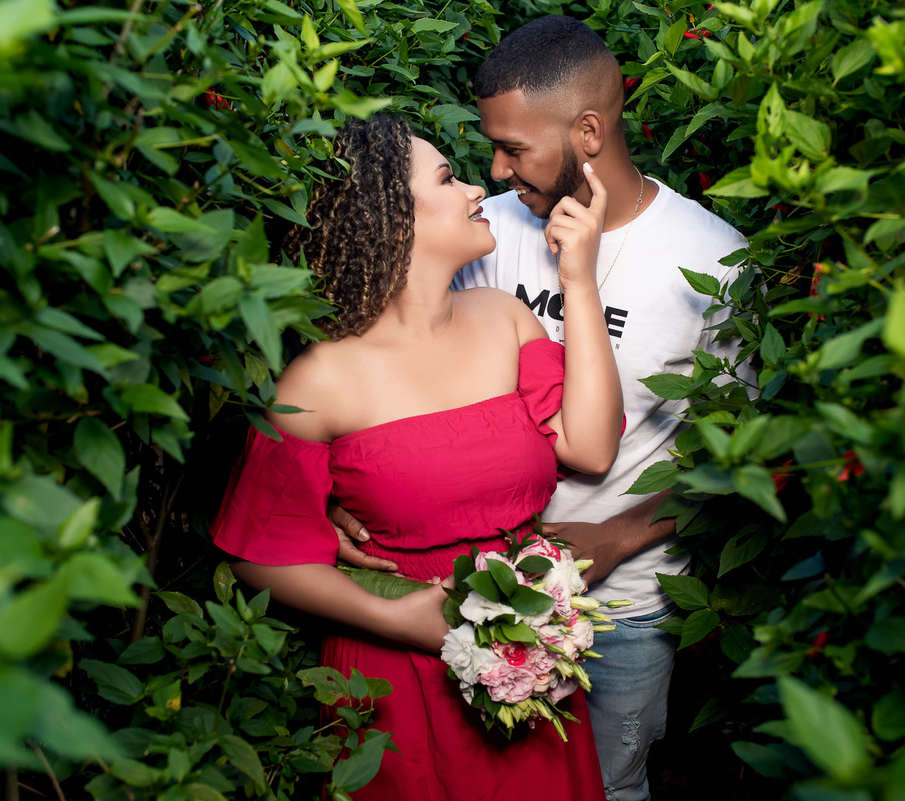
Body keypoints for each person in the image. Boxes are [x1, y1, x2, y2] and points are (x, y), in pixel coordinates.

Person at [333, 17, 752, 801]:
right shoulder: (483, 231)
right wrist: (339, 498)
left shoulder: (712, 261)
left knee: (607, 786)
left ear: (588, 131)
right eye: (490, 145)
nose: (495, 167)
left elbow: (749, 456)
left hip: (621, 604)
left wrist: (622, 535)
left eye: (514, 148)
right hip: (472, 596)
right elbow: (395, 384)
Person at [209, 115, 623, 800]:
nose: (473, 192)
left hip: (525, 646)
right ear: (390, 215)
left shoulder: (503, 317)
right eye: (446, 177)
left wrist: (578, 281)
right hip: (392, 668)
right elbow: (259, 550)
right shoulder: (318, 381)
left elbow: (592, 443)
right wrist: (392, 618)